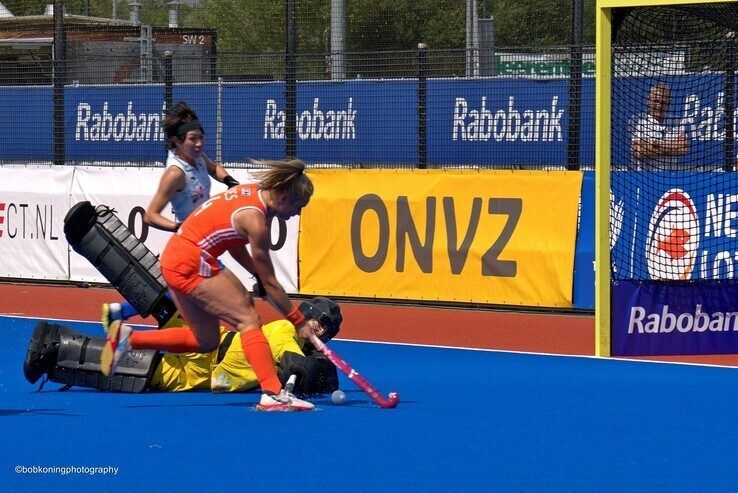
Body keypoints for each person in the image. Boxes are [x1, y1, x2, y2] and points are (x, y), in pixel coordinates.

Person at [101, 158, 317, 411]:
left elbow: (235, 244)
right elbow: (271, 283)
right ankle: (273, 393)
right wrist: (299, 322)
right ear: (283, 196)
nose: (297, 213)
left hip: (174, 260)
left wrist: (256, 276)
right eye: (298, 206)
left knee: (206, 341)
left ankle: (127, 339)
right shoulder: (256, 221)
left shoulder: (247, 192)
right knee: (248, 318)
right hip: (191, 261)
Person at [102, 101, 240, 331]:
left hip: (205, 243)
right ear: (177, 141)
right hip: (193, 245)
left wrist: (230, 182)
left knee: (173, 289)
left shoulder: (197, 157)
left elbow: (214, 168)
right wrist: (179, 228)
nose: (199, 144)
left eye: (200, 138)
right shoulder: (175, 174)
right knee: (230, 297)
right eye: (192, 139)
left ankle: (118, 312)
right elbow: (150, 216)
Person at [23, 297, 342, 396]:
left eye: (328, 331)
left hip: (212, 339)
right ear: (308, 316)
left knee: (166, 301)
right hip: (207, 365)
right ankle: (54, 348)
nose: (323, 332)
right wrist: (323, 376)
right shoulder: (287, 331)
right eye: (321, 323)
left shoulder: (291, 334)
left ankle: (113, 314)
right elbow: (294, 366)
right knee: (144, 373)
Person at [631, 83, 689, 170]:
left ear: (669, 103)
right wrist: (671, 146)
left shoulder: (677, 122)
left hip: (669, 178)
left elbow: (682, 149)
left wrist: (653, 145)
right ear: (649, 100)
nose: (659, 105)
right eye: (656, 101)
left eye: (663, 102)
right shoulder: (637, 120)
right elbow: (639, 151)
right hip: (643, 177)